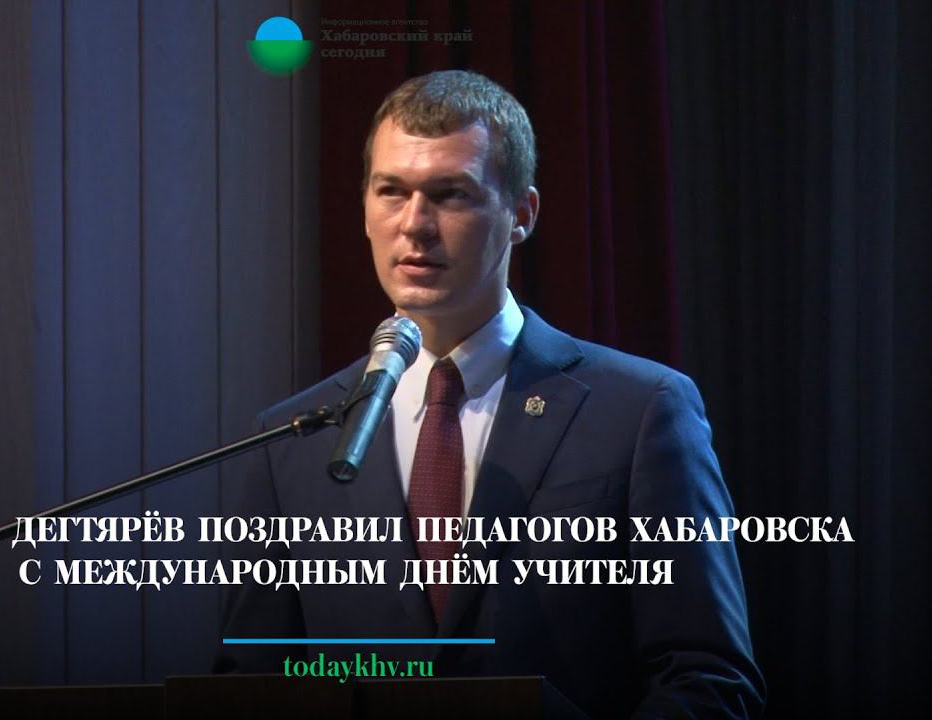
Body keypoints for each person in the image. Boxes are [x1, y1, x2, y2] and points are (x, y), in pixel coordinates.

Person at [216, 69, 765, 718]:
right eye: (391, 191)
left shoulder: (641, 410)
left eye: (450, 194)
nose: (415, 225)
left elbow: (708, 680)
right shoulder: (291, 443)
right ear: (363, 207)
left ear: (521, 215)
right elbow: (250, 683)